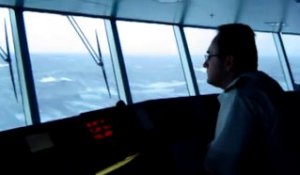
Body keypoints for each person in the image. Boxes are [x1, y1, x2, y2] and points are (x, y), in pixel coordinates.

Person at [202, 23, 284, 175]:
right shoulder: (265, 85)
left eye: (209, 56)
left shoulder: (242, 97)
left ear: (228, 62)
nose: (205, 64)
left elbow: (221, 165)